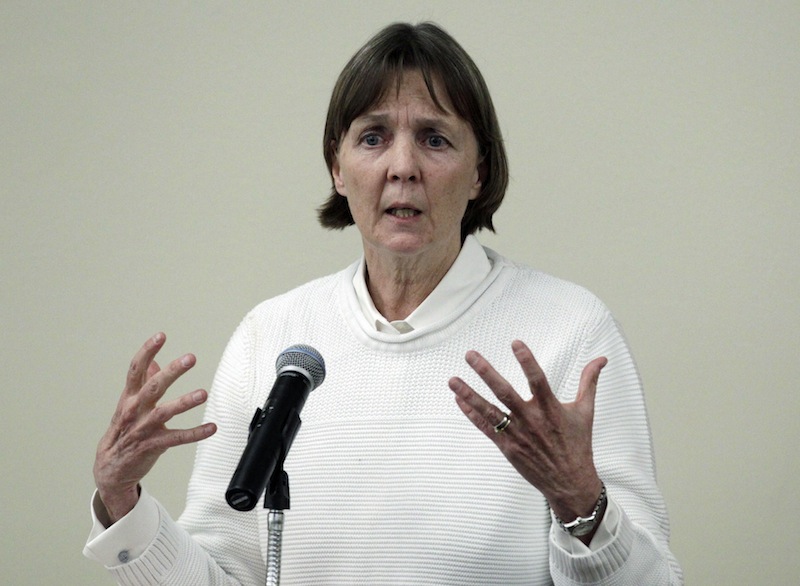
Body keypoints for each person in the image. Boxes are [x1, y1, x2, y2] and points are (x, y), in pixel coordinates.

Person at [85, 22, 683, 585]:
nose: (403, 168)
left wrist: (581, 503)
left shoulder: (569, 330)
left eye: (434, 138)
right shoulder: (274, 335)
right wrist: (121, 506)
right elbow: (228, 573)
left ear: (479, 171)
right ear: (337, 168)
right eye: (373, 137)